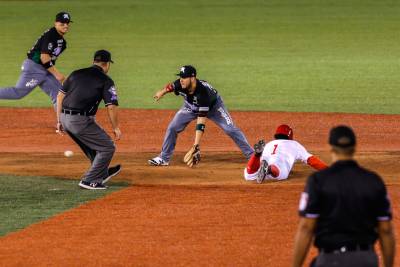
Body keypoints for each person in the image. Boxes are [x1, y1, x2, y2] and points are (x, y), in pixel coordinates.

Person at [292, 125, 395, 267]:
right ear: (355, 147)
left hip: (330, 260)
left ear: (330, 147)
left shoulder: (318, 181)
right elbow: (386, 229)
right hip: (366, 260)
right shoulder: (373, 181)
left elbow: (306, 228)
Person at [148, 65, 254, 166]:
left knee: (230, 129)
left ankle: (252, 155)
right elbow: (170, 87)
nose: (181, 79)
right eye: (180, 77)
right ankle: (164, 158)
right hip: (190, 107)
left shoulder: (203, 94)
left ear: (193, 78)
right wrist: (161, 92)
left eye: (184, 77)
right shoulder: (180, 84)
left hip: (214, 107)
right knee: (173, 127)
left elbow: (201, 122)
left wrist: (196, 145)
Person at [56, 50, 122, 190]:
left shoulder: (76, 73)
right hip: (80, 121)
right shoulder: (106, 80)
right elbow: (111, 106)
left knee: (93, 146)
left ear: (94, 61)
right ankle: (89, 180)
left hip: (65, 119)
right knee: (107, 147)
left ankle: (101, 173)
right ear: (107, 64)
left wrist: (59, 120)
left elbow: (60, 96)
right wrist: (116, 127)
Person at [0, 12, 72, 106]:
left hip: (45, 69)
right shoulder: (51, 35)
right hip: (34, 68)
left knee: (58, 94)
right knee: (18, 93)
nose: (65, 26)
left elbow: (48, 59)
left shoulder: (61, 41)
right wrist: (58, 75)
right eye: (62, 23)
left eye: (67, 23)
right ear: (55, 23)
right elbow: (44, 58)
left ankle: (64, 120)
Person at [244, 124, 327, 183]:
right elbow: (311, 160)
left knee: (249, 175)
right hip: (276, 172)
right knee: (279, 170)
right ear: (290, 136)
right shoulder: (294, 144)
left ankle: (256, 155)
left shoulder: (269, 143)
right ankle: (269, 169)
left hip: (258, 168)